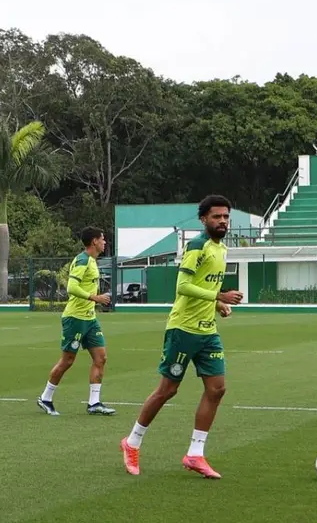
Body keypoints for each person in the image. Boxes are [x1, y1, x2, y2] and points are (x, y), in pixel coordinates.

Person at [121, 195, 243, 479]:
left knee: (217, 389)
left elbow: (203, 285)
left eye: (226, 216)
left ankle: (195, 454)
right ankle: (132, 442)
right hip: (183, 329)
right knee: (167, 390)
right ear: (204, 219)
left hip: (207, 330)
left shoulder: (221, 249)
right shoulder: (197, 246)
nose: (222, 221)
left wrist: (217, 304)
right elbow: (183, 286)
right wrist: (218, 295)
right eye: (216, 216)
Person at [37, 226, 115, 416]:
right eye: (102, 239)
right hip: (75, 318)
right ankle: (45, 398)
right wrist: (95, 298)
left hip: (90, 319)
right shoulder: (82, 260)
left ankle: (94, 403)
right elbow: (72, 287)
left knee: (101, 358)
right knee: (67, 360)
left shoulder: (92, 261)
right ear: (94, 241)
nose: (105, 242)